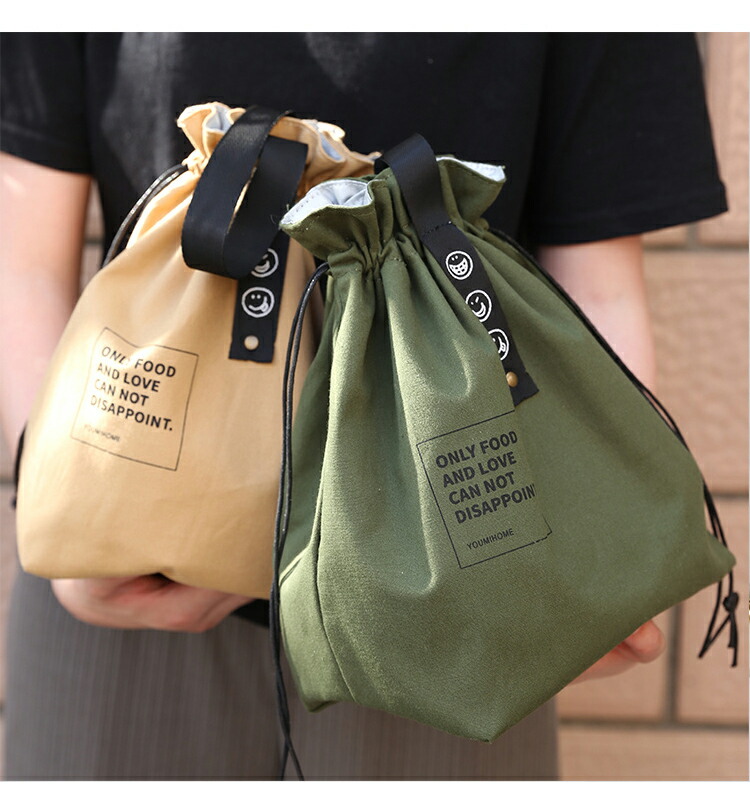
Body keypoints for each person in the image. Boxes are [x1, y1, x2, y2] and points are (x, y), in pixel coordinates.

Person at [0, 33, 726, 780]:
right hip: (126, 569)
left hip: (458, 571)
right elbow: (24, 261)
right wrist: (59, 512)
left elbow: (597, 290)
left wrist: (602, 545)